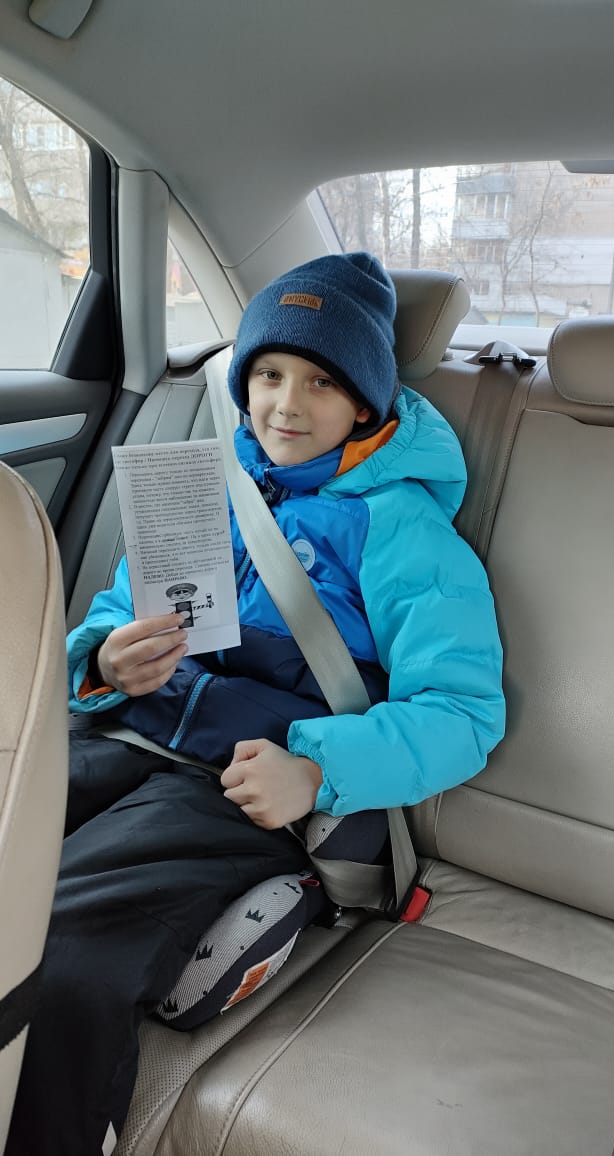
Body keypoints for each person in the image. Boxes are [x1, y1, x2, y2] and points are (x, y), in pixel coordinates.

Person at [6, 252, 505, 1156]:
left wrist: (315, 770)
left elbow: (463, 712)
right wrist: (106, 659)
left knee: (64, 944)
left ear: (366, 404)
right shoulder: (204, 484)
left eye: (322, 382)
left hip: (243, 778)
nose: (285, 403)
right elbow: (117, 609)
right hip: (131, 729)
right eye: (268, 374)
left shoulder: (401, 529)